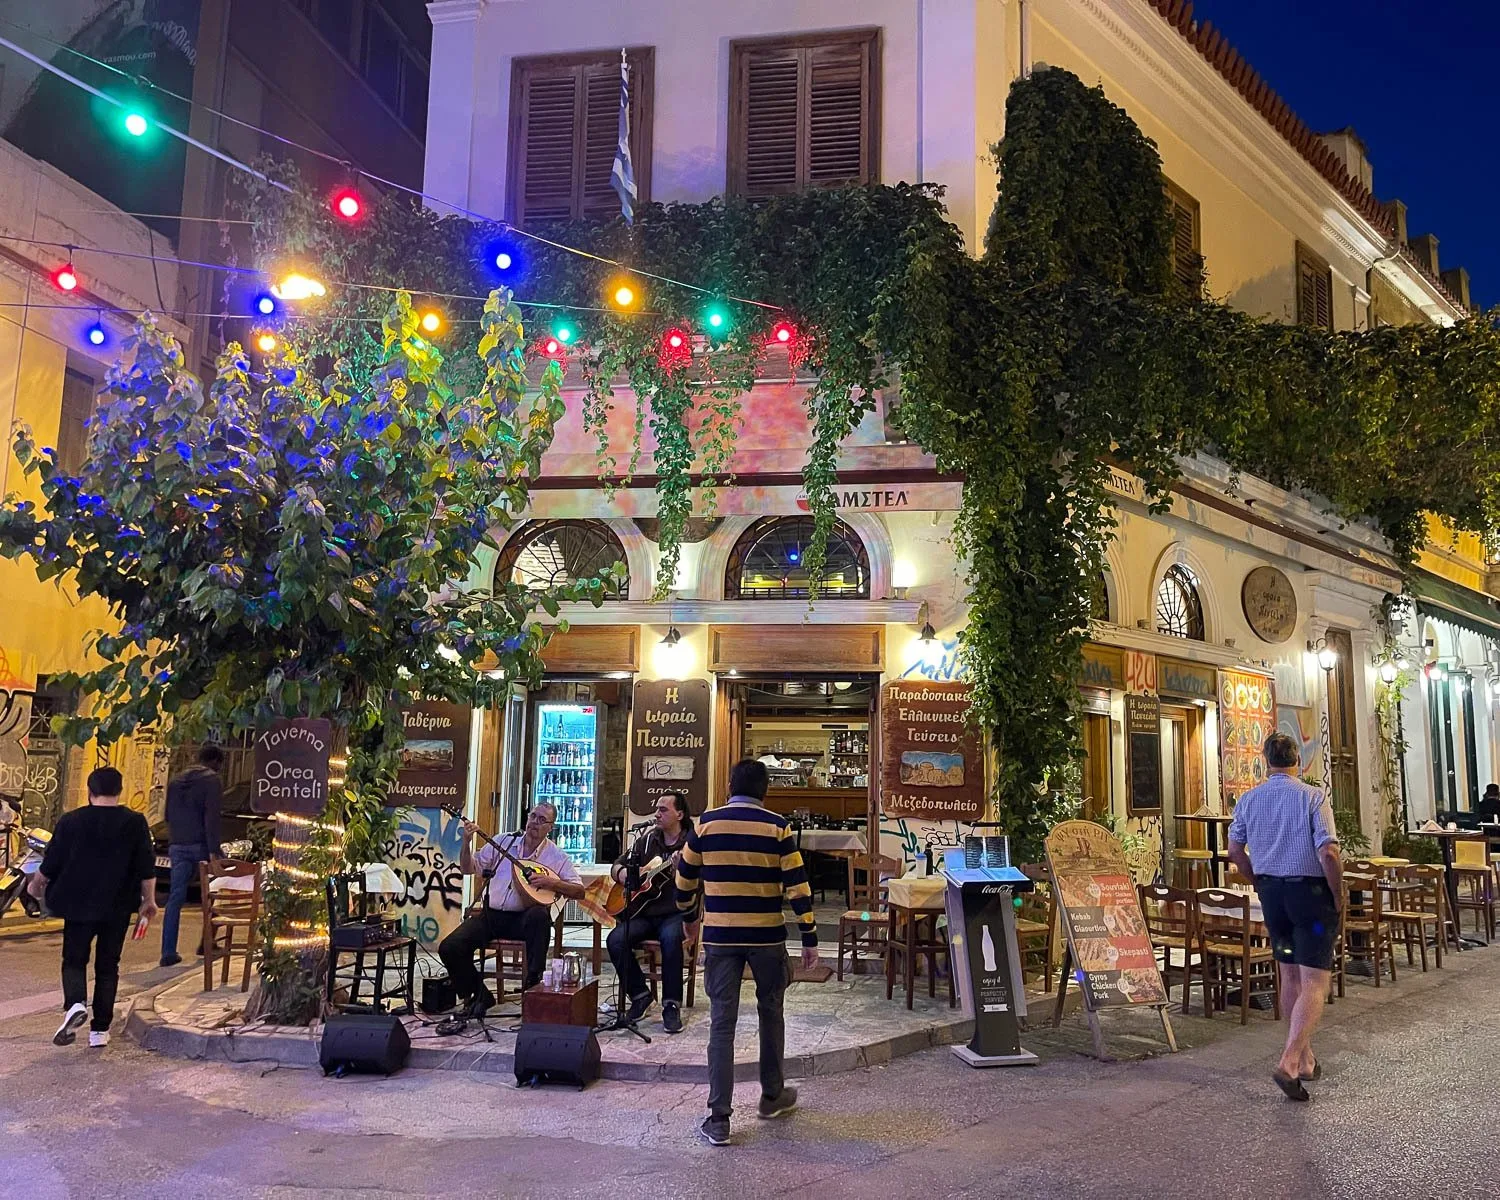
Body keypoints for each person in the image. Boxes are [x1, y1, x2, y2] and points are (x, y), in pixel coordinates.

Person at [675, 759, 818, 1147]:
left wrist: (690, 919)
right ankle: (772, 1097)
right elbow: (798, 886)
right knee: (771, 1012)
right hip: (767, 938)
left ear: (728, 785)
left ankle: (719, 1118)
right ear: (765, 789)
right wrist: (808, 937)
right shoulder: (777, 826)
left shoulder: (704, 824)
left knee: (722, 1023)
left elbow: (683, 881)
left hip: (721, 938)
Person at [1226, 732, 1342, 1102]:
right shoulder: (1313, 797)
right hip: (1310, 897)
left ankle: (1305, 1059)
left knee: (1289, 973)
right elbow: (1328, 853)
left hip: (1273, 896)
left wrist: (1257, 879)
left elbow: (1234, 850)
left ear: (1265, 761)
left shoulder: (1249, 799)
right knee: (1316, 981)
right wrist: (1337, 894)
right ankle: (1290, 1061)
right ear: (1299, 762)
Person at [29, 767, 156, 1048]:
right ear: (120, 791)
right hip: (118, 906)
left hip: (78, 905)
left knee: (74, 960)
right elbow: (146, 866)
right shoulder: (135, 822)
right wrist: (149, 900)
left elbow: (51, 863)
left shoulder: (71, 821)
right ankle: (100, 1030)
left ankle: (75, 1003)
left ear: (89, 791)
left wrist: (36, 885)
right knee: (108, 966)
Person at [438, 802, 585, 1014]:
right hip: (492, 916)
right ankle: (480, 995)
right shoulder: (504, 842)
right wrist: (466, 842)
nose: (535, 822)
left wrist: (550, 883)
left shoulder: (556, 856)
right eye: (533, 816)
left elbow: (579, 891)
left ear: (550, 827)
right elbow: (467, 868)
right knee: (450, 947)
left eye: (542, 820)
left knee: (540, 917)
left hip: (524, 920)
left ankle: (532, 988)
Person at [606, 791, 696, 1034]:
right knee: (615, 939)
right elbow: (617, 865)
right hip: (644, 913)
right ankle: (640, 995)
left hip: (675, 911)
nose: (657, 813)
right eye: (657, 809)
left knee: (670, 939)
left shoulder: (691, 843)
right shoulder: (647, 840)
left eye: (663, 809)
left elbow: (701, 878)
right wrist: (623, 874)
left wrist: (683, 868)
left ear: (680, 814)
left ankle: (671, 1005)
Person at [159, 743, 225, 967]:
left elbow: (167, 814)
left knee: (175, 898)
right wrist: (214, 851)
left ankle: (168, 951)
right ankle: (207, 943)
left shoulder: (176, 780)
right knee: (216, 893)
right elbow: (212, 818)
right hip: (202, 845)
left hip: (177, 844)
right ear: (216, 762)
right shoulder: (212, 780)